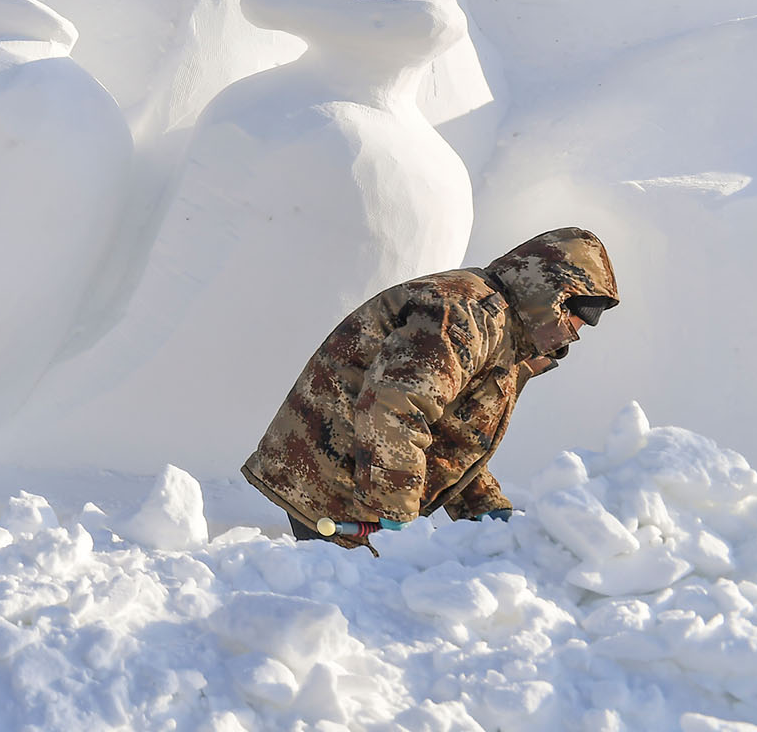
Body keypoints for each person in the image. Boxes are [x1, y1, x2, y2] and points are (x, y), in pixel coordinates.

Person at [242, 227, 619, 548]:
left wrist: (487, 514)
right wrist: (396, 521)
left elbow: (450, 435)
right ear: (551, 294)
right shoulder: (462, 314)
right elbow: (395, 410)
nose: (575, 332)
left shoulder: (503, 334)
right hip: (333, 482)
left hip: (360, 484)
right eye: (576, 317)